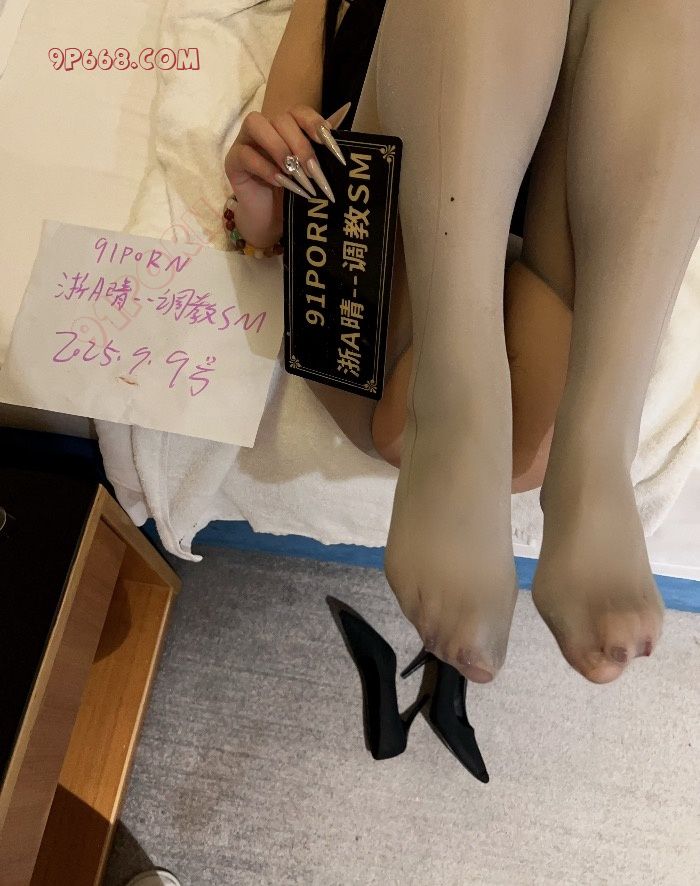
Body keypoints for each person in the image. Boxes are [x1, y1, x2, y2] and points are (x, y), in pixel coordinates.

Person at [224, 0, 700, 685]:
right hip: (398, 310)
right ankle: (457, 412)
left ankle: (597, 456)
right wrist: (261, 195)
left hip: (554, 310)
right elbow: (274, 200)